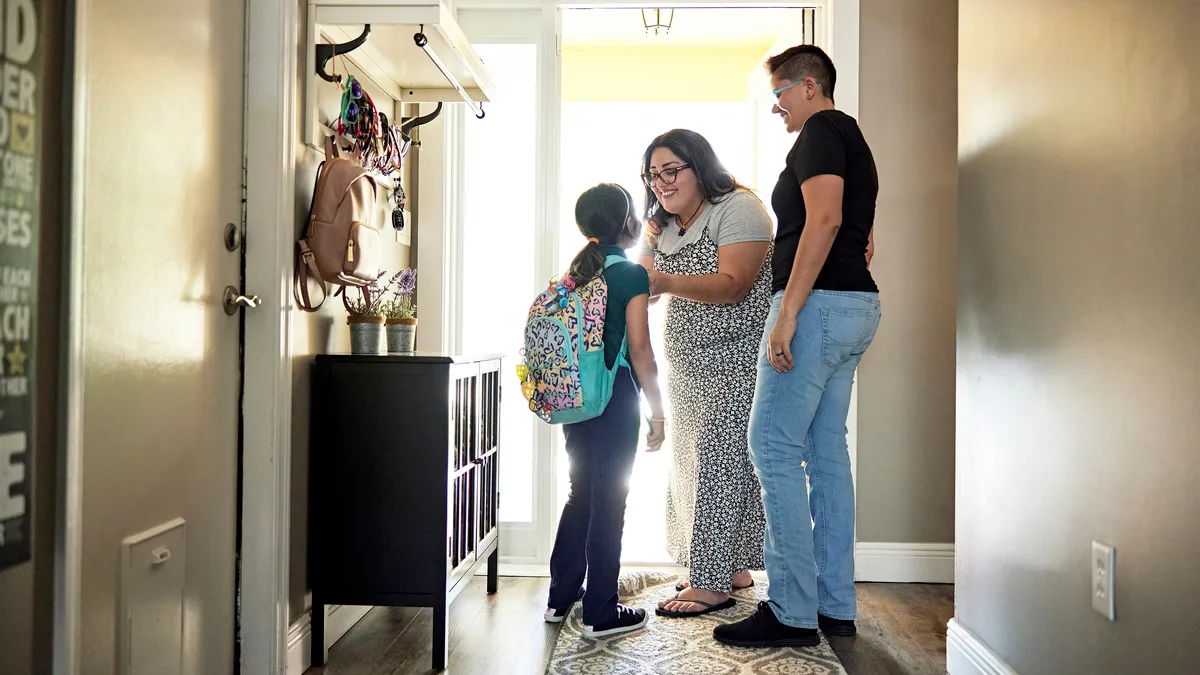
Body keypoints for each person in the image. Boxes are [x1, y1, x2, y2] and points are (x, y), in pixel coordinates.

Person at [714, 45, 882, 649]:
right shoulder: (852, 137)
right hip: (857, 307)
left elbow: (826, 219)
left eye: (780, 94)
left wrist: (787, 314)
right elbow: (855, 227)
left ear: (808, 86)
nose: (777, 107)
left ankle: (789, 610)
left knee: (772, 445)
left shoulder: (816, 133)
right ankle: (835, 606)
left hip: (819, 309)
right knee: (825, 451)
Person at [634, 129, 775, 618]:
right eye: (653, 175)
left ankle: (712, 583)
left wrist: (665, 280)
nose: (661, 183)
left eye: (671, 170)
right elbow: (644, 284)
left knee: (722, 460)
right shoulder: (662, 225)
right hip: (687, 366)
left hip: (736, 358)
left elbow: (735, 285)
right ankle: (726, 567)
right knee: (691, 465)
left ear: (700, 165)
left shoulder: (738, 208)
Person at [543, 183, 667, 638]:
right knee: (609, 500)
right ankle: (601, 612)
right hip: (614, 401)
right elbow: (641, 351)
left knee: (581, 493)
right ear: (627, 223)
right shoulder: (631, 274)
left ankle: (560, 599)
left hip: (575, 400)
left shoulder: (575, 274)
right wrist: (658, 412)